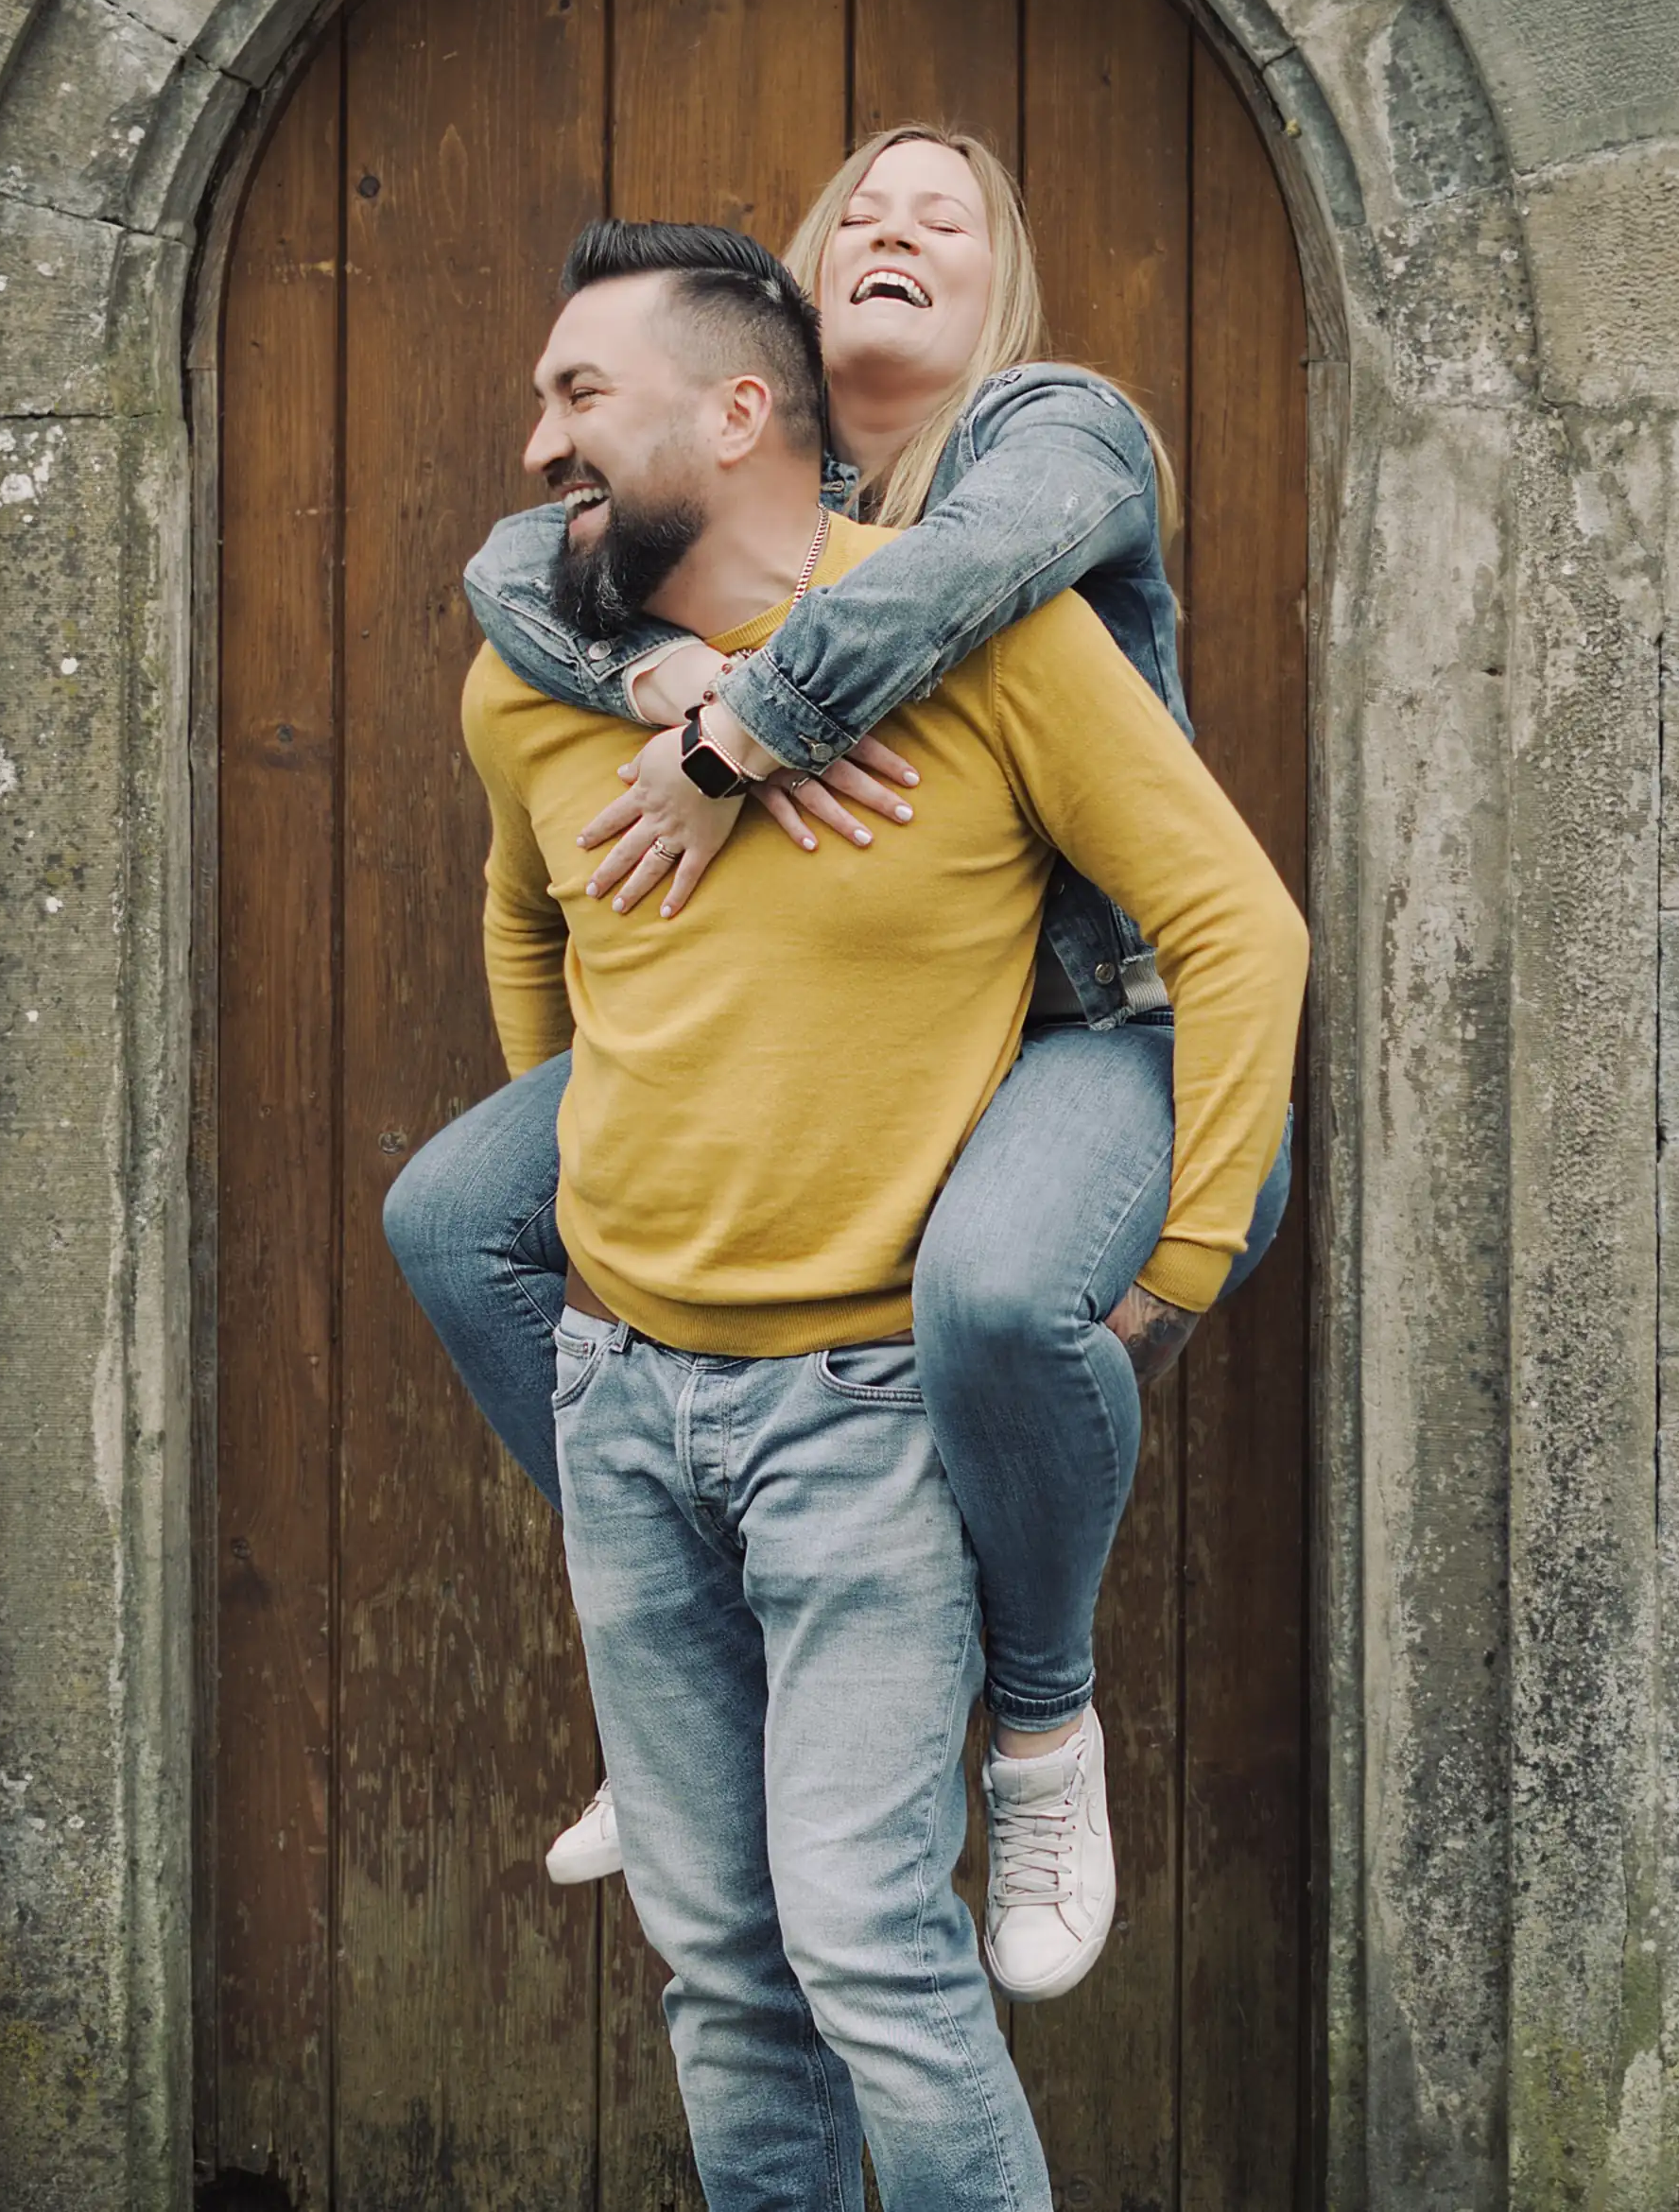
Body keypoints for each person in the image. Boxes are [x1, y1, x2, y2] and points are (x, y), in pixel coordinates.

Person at [443, 217, 1307, 2212]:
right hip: (619, 1400)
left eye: (578, 398)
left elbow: (1234, 927)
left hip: (856, 1419)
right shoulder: (537, 679)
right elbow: (521, 916)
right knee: (720, 1971)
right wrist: (579, 1172)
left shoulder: (990, 635)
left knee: (868, 1957)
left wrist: (1168, 1277)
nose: (534, 446)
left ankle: (1044, 1723)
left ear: (741, 413)